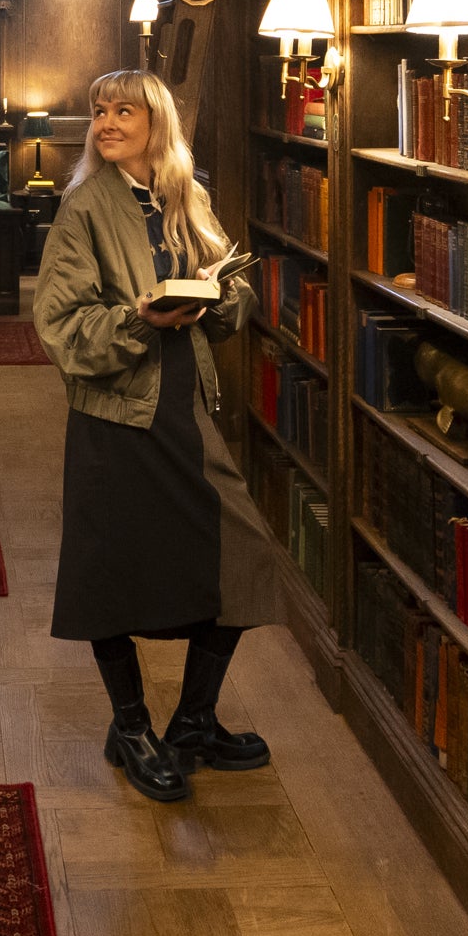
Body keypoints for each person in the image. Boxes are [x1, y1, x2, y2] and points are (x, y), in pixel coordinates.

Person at [36, 68, 285, 803]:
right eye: (99, 111)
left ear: (157, 124)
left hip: (185, 408)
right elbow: (61, 328)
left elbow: (231, 293)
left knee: (242, 553)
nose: (107, 123)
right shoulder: (83, 207)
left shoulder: (187, 196)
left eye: (124, 111)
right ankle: (133, 725)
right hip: (114, 418)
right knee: (106, 576)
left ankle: (195, 721)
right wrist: (140, 320)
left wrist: (216, 298)